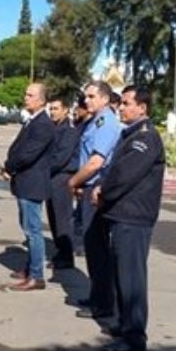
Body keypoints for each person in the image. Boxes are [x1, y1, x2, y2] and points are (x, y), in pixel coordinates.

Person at [92, 85, 165, 351]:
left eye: (125, 103)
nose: (120, 107)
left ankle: (134, 336)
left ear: (142, 108)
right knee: (122, 274)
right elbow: (115, 169)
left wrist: (103, 191)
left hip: (133, 218)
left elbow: (124, 174)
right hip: (122, 214)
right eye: (120, 103)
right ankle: (125, 325)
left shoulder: (145, 138)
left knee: (131, 277)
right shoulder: (131, 134)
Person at [68, 81, 121, 319]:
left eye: (91, 96)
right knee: (92, 248)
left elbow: (95, 163)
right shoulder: (96, 120)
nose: (86, 101)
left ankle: (103, 304)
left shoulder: (106, 122)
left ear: (104, 98)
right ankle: (97, 296)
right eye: (85, 96)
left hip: (95, 190)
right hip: (88, 188)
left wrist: (73, 182)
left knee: (98, 249)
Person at [1, 83, 54, 291]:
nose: (26, 97)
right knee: (28, 229)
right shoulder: (32, 121)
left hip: (32, 183)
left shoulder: (43, 124)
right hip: (25, 182)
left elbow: (28, 154)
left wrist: (9, 167)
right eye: (26, 94)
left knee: (33, 231)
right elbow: (19, 148)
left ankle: (36, 276)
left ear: (41, 100)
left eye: (30, 95)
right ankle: (30, 268)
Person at [46, 96, 79, 270]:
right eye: (51, 109)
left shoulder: (69, 130)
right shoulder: (54, 128)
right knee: (53, 216)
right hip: (52, 177)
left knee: (62, 218)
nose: (52, 112)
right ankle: (60, 251)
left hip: (62, 177)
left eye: (56, 109)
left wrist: (43, 169)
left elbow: (61, 158)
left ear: (65, 110)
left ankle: (66, 255)